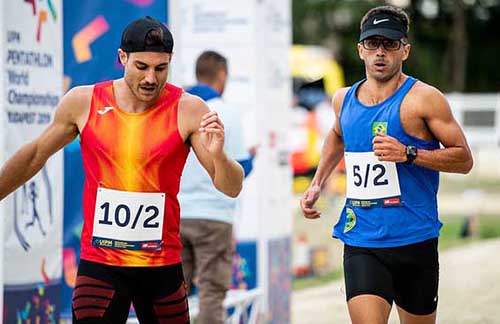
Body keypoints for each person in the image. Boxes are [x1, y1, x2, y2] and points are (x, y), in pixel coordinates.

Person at [0, 16, 244, 324]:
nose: (151, 79)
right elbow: (35, 154)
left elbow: (231, 186)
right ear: (122, 58)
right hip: (101, 264)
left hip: (161, 266)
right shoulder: (83, 101)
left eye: (161, 68)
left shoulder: (190, 109)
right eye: (141, 67)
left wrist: (220, 156)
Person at [300, 6, 473, 324]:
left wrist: (409, 154)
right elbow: (337, 136)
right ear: (360, 49)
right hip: (362, 240)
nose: (381, 52)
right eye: (373, 43)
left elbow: (464, 159)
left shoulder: (424, 99)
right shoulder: (343, 100)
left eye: (390, 44)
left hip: (414, 240)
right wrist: (316, 183)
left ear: (404, 50)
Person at [178, 50, 253, 324]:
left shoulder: (179, 109)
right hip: (215, 215)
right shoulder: (228, 113)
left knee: (173, 294)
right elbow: (242, 170)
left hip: (178, 214)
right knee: (211, 291)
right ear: (222, 75)